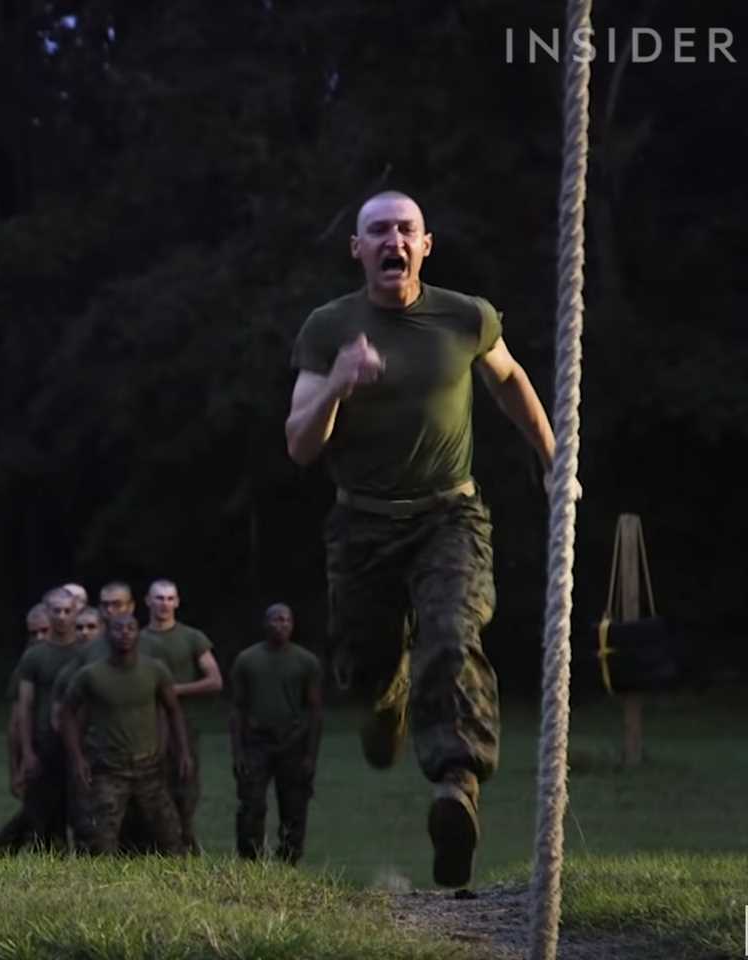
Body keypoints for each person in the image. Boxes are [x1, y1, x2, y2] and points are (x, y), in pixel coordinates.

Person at [284, 190, 558, 888]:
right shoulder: (329, 328)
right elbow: (299, 446)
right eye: (377, 231)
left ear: (425, 245)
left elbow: (510, 381)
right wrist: (338, 386)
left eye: (405, 230)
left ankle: (456, 787)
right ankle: (384, 697)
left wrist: (555, 461)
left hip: (448, 517)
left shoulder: (465, 317)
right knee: (367, 661)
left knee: (450, 631)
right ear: (358, 250)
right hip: (363, 524)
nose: (392, 241)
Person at [62, 614, 191, 854]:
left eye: (131, 628)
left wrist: (183, 752)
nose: (124, 633)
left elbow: (173, 711)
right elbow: (67, 712)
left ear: (138, 634)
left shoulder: (155, 670)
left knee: (171, 837)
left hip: (149, 768)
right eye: (118, 629)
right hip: (108, 769)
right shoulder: (91, 675)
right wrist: (77, 757)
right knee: (100, 842)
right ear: (107, 635)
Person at [228, 604, 322, 865]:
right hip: (257, 742)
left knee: (294, 806)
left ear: (292, 624)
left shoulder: (306, 662)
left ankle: (289, 862)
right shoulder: (247, 660)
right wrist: (237, 752)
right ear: (265, 624)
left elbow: (314, 711)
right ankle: (250, 860)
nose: (280, 625)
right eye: (275, 620)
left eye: (285, 620)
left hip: (293, 741)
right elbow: (237, 708)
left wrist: (310, 756)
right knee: (251, 804)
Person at [139, 579, 222, 853]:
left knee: (185, 791)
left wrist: (175, 690)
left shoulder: (192, 638)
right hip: (145, 728)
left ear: (176, 602)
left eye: (169, 598)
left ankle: (187, 845)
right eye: (158, 598)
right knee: (150, 792)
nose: (164, 604)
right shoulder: (134, 639)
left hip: (185, 727)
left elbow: (214, 680)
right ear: (147, 602)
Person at [13, 587, 83, 849]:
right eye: (56, 611)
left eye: (67, 611)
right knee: (47, 815)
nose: (62, 616)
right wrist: (27, 752)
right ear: (47, 612)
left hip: (80, 741)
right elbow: (25, 706)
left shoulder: (85, 652)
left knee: (81, 809)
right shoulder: (34, 656)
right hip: (45, 742)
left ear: (76, 611)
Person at [0, 604, 50, 854]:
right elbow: (14, 723)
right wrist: (15, 768)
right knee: (36, 814)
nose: (39, 638)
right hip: (35, 751)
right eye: (33, 633)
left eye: (44, 631)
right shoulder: (26, 666)